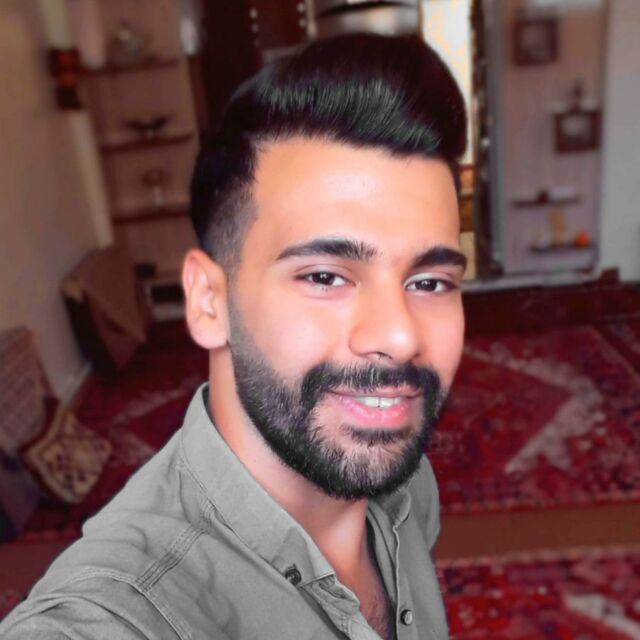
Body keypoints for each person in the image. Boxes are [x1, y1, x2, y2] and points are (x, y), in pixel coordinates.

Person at [0, 32, 467, 640]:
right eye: (325, 276)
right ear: (208, 301)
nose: (400, 337)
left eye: (430, 282)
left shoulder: (407, 482)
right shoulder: (118, 615)